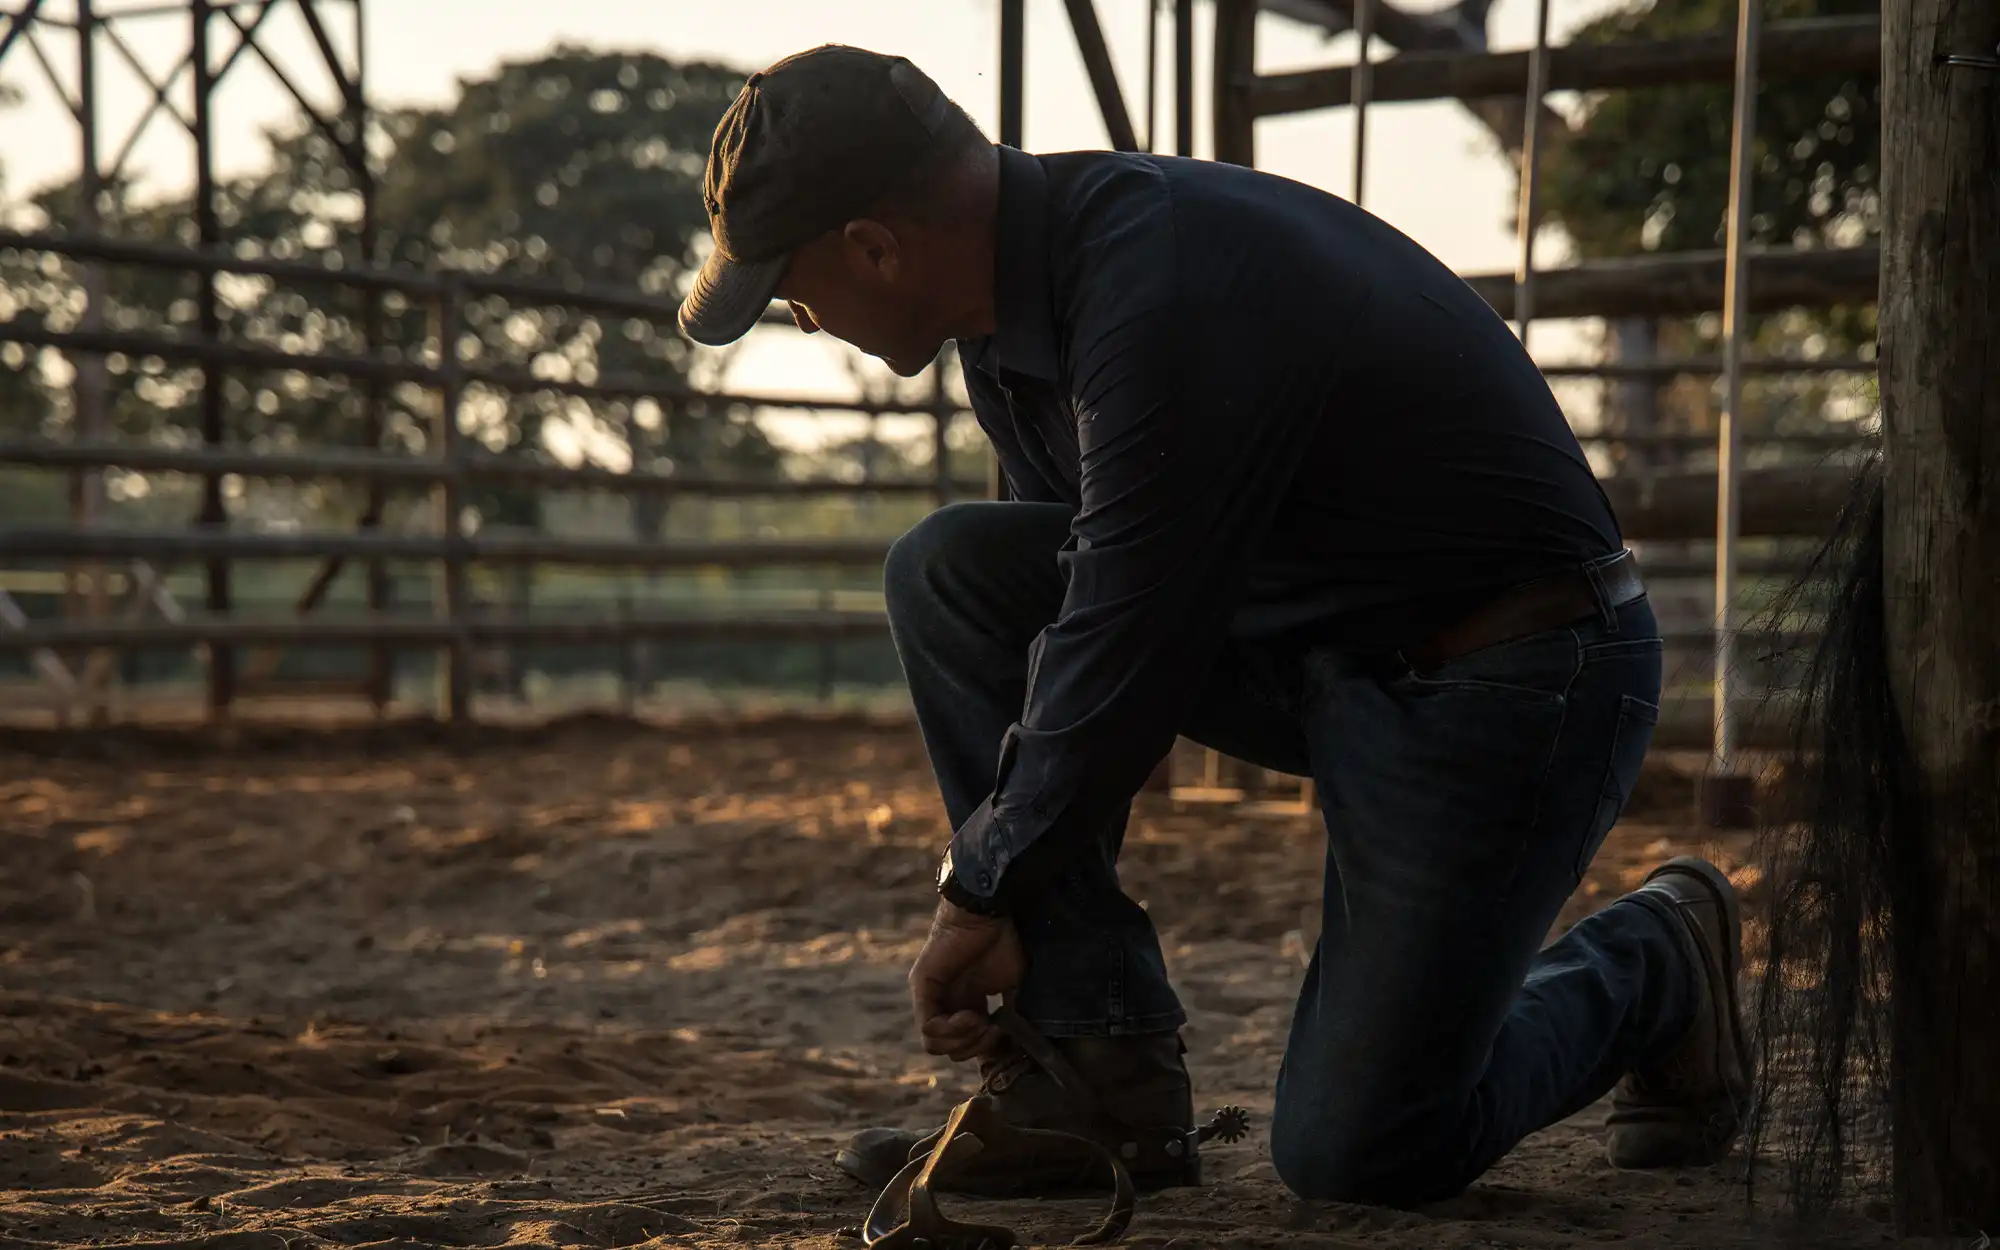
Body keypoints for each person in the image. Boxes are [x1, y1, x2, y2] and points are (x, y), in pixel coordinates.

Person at [676, 44, 1750, 1207]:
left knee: (1365, 1149)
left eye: (791, 290)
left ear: (873, 247)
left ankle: (1658, 957)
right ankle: (1098, 1075)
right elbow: (1072, 631)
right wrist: (1010, 882)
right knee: (953, 570)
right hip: (1318, 651)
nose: (802, 319)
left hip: (1503, 675)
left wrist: (978, 889)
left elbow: (1124, 633)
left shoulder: (1161, 282)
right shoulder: (1002, 323)